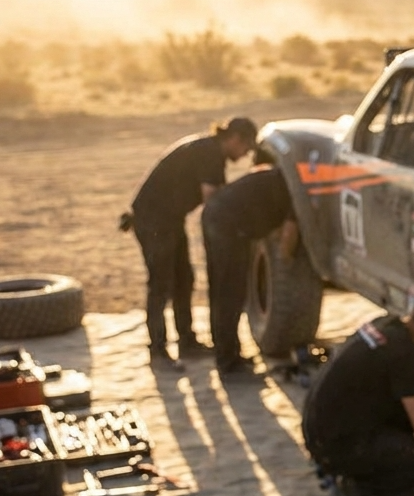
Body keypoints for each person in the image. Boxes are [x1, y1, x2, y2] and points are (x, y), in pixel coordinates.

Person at [302, 293, 414, 496]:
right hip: (338, 446)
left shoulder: (385, 323)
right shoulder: (402, 353)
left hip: (319, 430)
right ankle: (359, 488)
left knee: (404, 415)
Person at [126, 116, 257, 367]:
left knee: (184, 279)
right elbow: (214, 200)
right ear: (235, 139)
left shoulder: (208, 148)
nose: (245, 155)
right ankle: (158, 348)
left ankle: (186, 341)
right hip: (154, 220)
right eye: (246, 148)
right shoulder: (211, 153)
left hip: (169, 219)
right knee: (161, 284)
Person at [201, 165, 298, 376]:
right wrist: (288, 261)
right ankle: (228, 362)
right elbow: (287, 239)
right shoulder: (297, 188)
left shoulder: (282, 176)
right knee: (230, 294)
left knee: (222, 292)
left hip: (218, 217)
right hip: (227, 226)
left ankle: (227, 354)